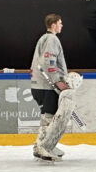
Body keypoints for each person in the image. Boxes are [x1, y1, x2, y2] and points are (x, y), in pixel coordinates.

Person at [29, 13, 71, 161]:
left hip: (41, 85)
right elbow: (49, 62)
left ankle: (44, 145)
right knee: (49, 117)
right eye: (60, 23)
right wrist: (58, 82)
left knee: (47, 116)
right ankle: (43, 147)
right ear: (53, 25)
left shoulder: (44, 38)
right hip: (47, 86)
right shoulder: (51, 39)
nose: (61, 25)